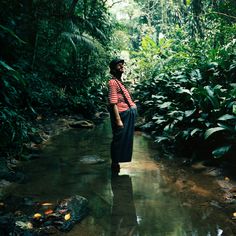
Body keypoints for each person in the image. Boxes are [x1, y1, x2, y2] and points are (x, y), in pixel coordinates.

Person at [108, 58, 137, 173]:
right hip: (121, 115)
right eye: (119, 65)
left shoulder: (119, 82)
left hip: (126, 114)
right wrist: (118, 120)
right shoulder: (112, 83)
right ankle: (115, 164)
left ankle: (118, 163)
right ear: (113, 68)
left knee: (124, 139)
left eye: (122, 65)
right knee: (118, 139)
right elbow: (113, 103)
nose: (122, 67)